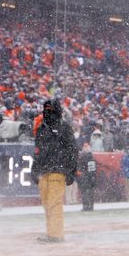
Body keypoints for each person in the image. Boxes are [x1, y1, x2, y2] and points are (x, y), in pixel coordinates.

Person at [32, 99, 77, 243]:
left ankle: (56, 234)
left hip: (58, 170)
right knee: (47, 203)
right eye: (47, 110)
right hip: (44, 170)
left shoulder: (64, 129)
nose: (48, 113)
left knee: (54, 202)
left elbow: (72, 151)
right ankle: (51, 232)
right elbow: (37, 151)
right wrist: (35, 169)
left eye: (51, 110)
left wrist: (71, 170)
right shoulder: (42, 129)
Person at [78, 143, 97, 211]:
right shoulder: (89, 158)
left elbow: (92, 170)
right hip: (87, 178)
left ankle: (87, 206)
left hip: (86, 178)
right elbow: (92, 170)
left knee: (86, 193)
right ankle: (88, 206)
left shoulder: (88, 158)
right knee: (88, 193)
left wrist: (87, 176)